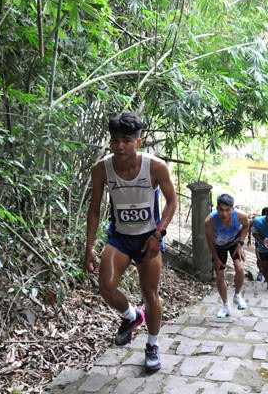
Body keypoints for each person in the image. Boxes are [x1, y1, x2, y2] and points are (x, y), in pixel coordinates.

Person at [84, 112, 177, 372]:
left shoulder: (156, 167)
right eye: (114, 140)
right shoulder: (102, 168)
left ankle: (152, 345)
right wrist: (90, 246)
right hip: (120, 237)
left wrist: (159, 233)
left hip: (149, 238)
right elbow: (94, 208)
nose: (119, 146)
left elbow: (172, 202)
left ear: (139, 141)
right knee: (106, 287)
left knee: (150, 293)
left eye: (126, 140)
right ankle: (132, 316)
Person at [204, 193, 250, 318]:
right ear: (216, 208)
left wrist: (240, 245)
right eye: (221, 210)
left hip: (234, 243)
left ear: (232, 209)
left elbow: (246, 226)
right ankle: (225, 305)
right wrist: (216, 259)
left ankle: (237, 295)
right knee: (219, 274)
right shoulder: (210, 221)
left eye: (227, 210)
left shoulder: (241, 216)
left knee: (240, 269)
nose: (224, 214)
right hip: (218, 247)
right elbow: (210, 242)